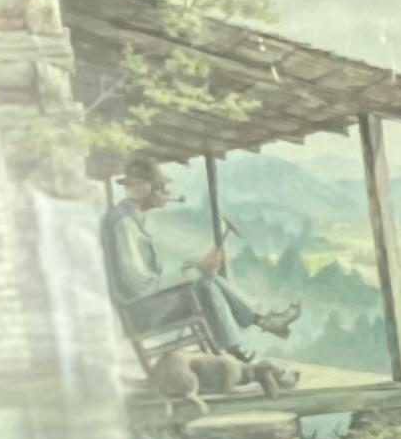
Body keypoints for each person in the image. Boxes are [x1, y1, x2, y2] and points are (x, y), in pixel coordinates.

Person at [100, 157, 299, 379]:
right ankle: (242, 341)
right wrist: (190, 273)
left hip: (148, 303)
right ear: (144, 189)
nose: (166, 192)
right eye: (161, 187)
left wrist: (195, 268)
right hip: (141, 311)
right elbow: (137, 284)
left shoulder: (131, 219)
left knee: (205, 277)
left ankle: (253, 329)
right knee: (203, 282)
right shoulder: (123, 224)